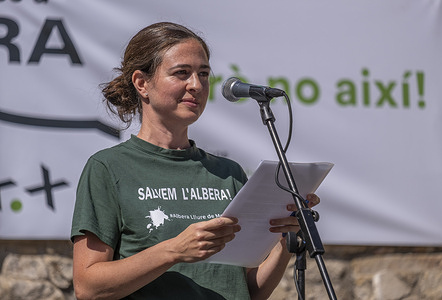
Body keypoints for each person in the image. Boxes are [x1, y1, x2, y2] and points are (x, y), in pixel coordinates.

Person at [71, 21, 320, 300]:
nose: (196, 85)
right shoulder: (108, 168)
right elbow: (88, 287)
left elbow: (246, 290)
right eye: (182, 73)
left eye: (204, 74)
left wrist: (284, 242)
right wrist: (174, 250)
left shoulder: (228, 173)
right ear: (142, 83)